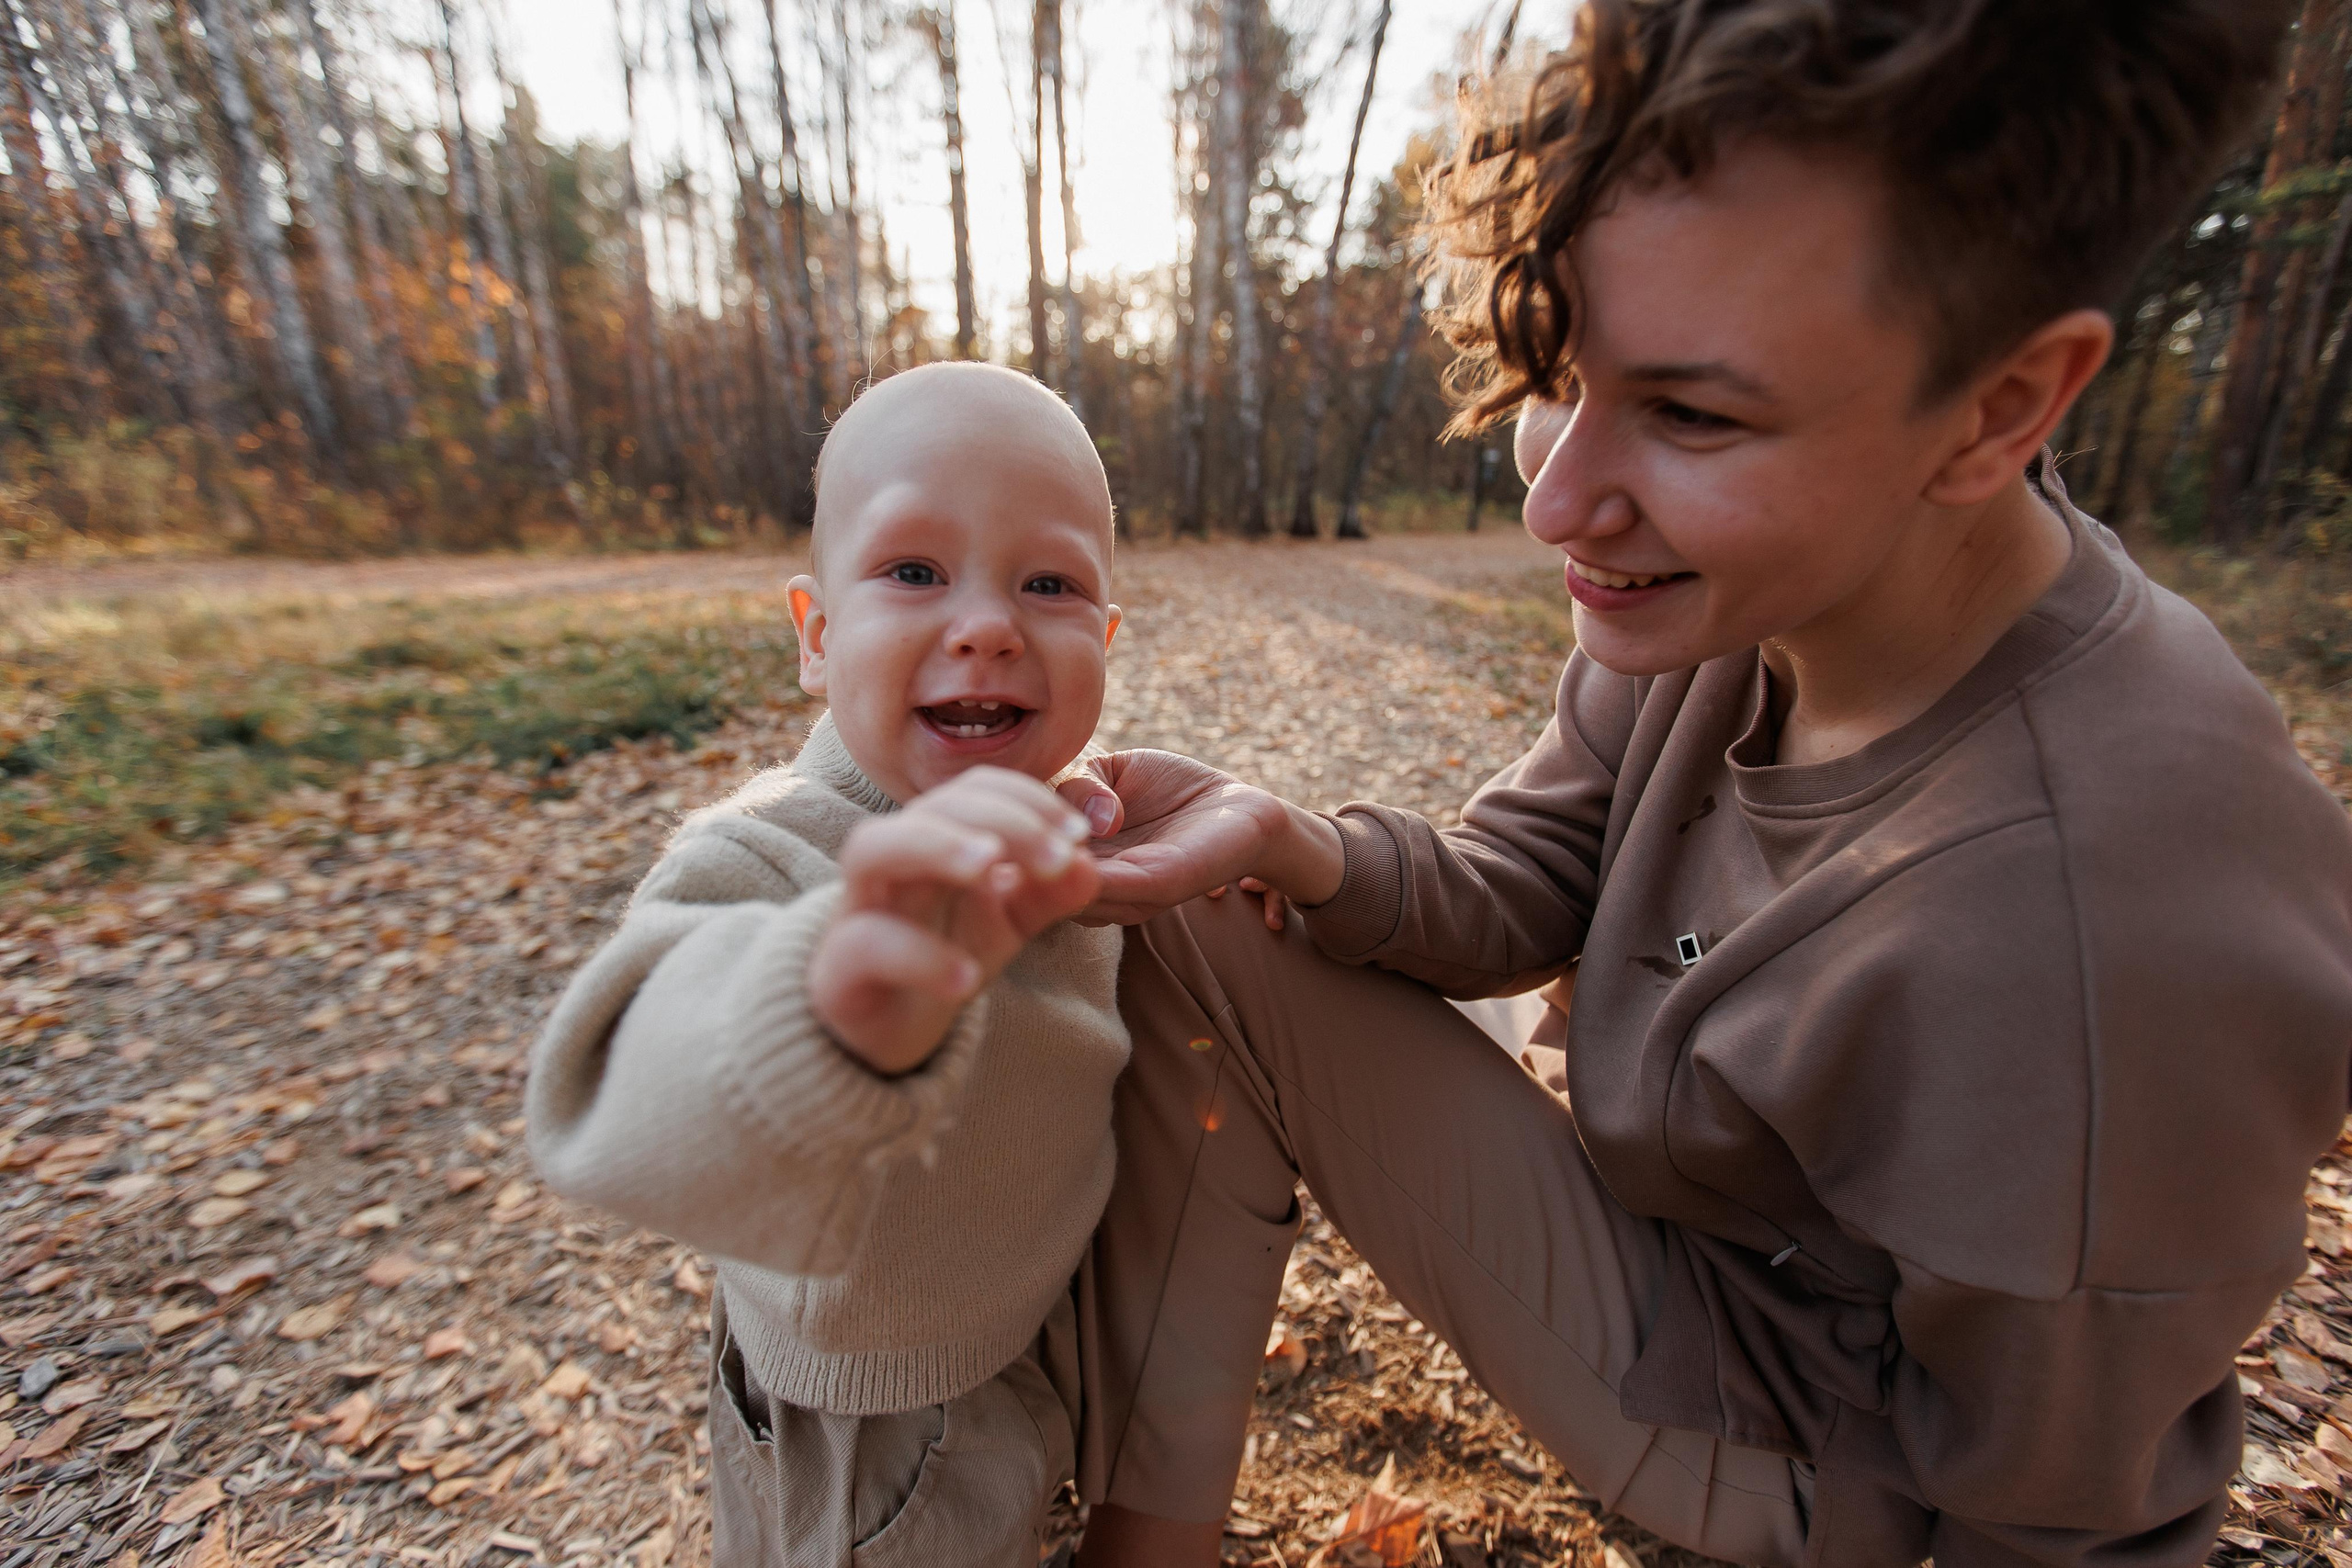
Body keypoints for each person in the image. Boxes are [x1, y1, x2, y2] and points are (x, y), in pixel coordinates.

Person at [1057, 3, 2352, 1565]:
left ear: (2001, 408)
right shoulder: (1746, 579)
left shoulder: (2103, 932)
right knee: (1199, 900)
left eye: (1688, 413)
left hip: (1842, 1467)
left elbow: (2065, 1516)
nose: (1555, 499)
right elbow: (1532, 877)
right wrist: (1300, 848)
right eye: (1557, 372)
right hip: (1695, 1260)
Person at [528, 363, 1125, 1568]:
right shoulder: (774, 851)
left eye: (1048, 583)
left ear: (1105, 640)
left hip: (1031, 1328)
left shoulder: (1068, 821)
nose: (988, 624)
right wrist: (831, 998)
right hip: (875, 1435)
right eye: (913, 571)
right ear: (816, 636)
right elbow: (626, 1084)